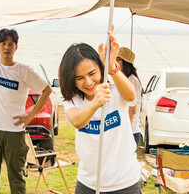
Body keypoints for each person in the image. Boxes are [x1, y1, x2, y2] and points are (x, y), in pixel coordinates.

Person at [0, 28, 52, 194]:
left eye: (10, 44)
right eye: (3, 44)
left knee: (16, 178)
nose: (7, 47)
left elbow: (47, 90)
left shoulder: (23, 71)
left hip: (14, 132)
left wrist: (31, 115)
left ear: (16, 47)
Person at [59, 29, 142, 193]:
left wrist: (112, 66)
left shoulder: (115, 88)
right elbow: (77, 121)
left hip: (125, 183)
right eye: (79, 78)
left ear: (100, 68)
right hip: (88, 183)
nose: (88, 82)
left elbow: (131, 96)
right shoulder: (72, 99)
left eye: (92, 73)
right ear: (71, 79)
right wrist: (95, 102)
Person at [116, 47, 143, 146]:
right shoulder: (124, 79)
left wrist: (126, 130)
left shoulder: (132, 80)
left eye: (118, 59)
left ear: (126, 62)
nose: (115, 62)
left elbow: (132, 109)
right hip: (123, 129)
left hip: (130, 131)